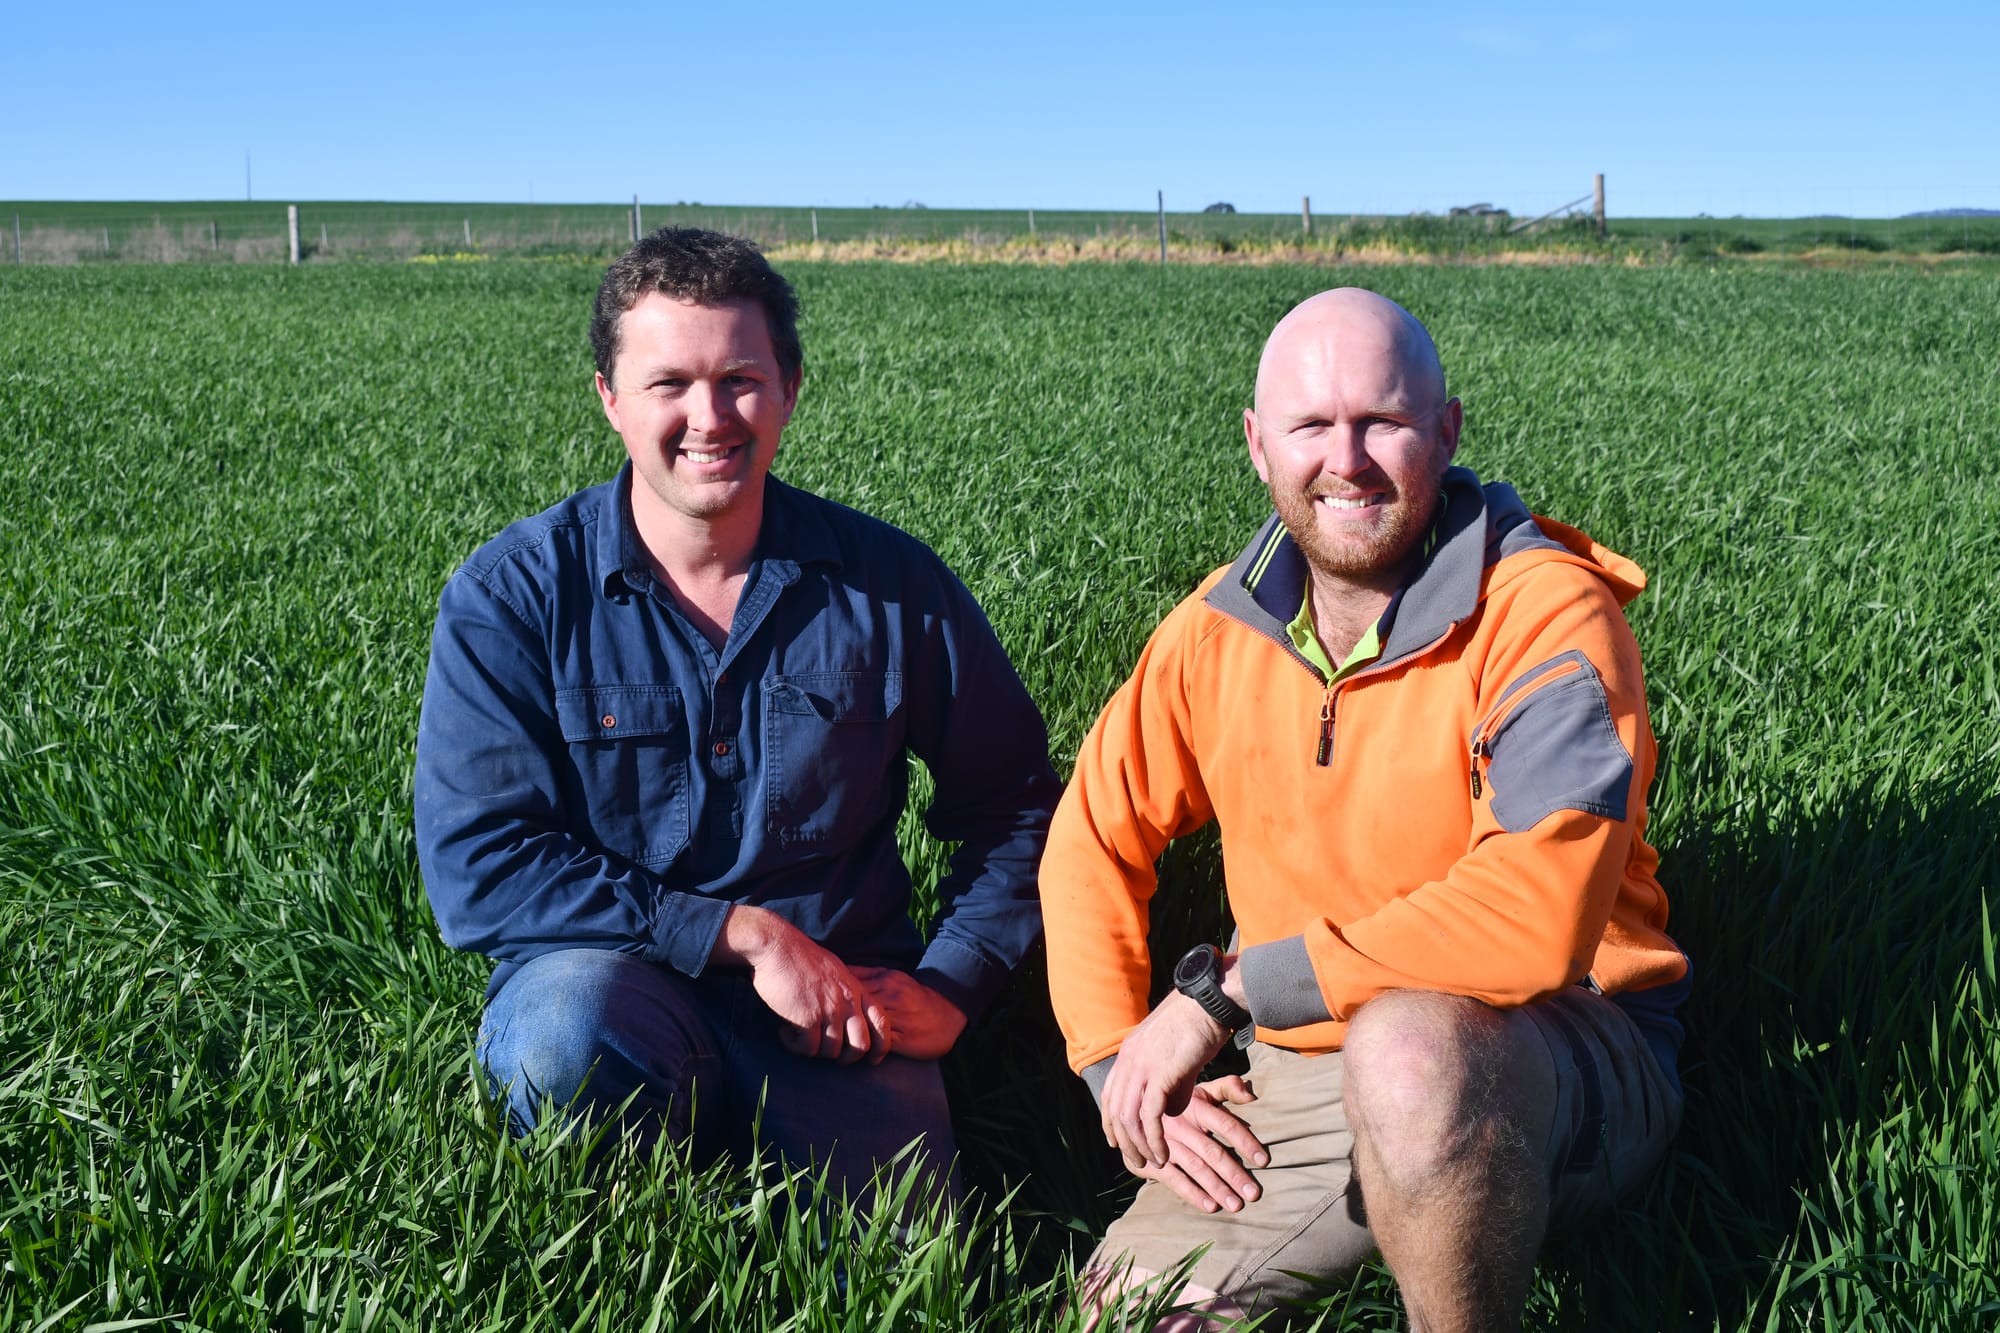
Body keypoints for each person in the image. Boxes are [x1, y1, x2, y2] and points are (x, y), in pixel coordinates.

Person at [1040, 288, 1690, 1330]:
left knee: (1405, 1054)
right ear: (1257, 446)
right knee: (1136, 1316)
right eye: (1308, 425)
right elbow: (1091, 835)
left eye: (1380, 420)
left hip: (1552, 1037)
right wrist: (1116, 1054)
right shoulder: (1218, 630)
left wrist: (1233, 987)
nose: (1343, 459)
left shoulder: (1543, 616)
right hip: (1303, 1055)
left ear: (1445, 430)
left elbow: (1532, 918)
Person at [414, 227, 1061, 1195]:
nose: (708, 416)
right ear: (609, 399)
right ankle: (626, 1203)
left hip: (837, 1012)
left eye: (739, 379)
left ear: (789, 390)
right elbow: (481, 863)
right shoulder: (514, 596)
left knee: (900, 1261)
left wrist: (951, 983)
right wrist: (745, 934)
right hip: (609, 987)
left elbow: (1014, 806)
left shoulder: (892, 586)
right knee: (559, 1041)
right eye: (668, 382)